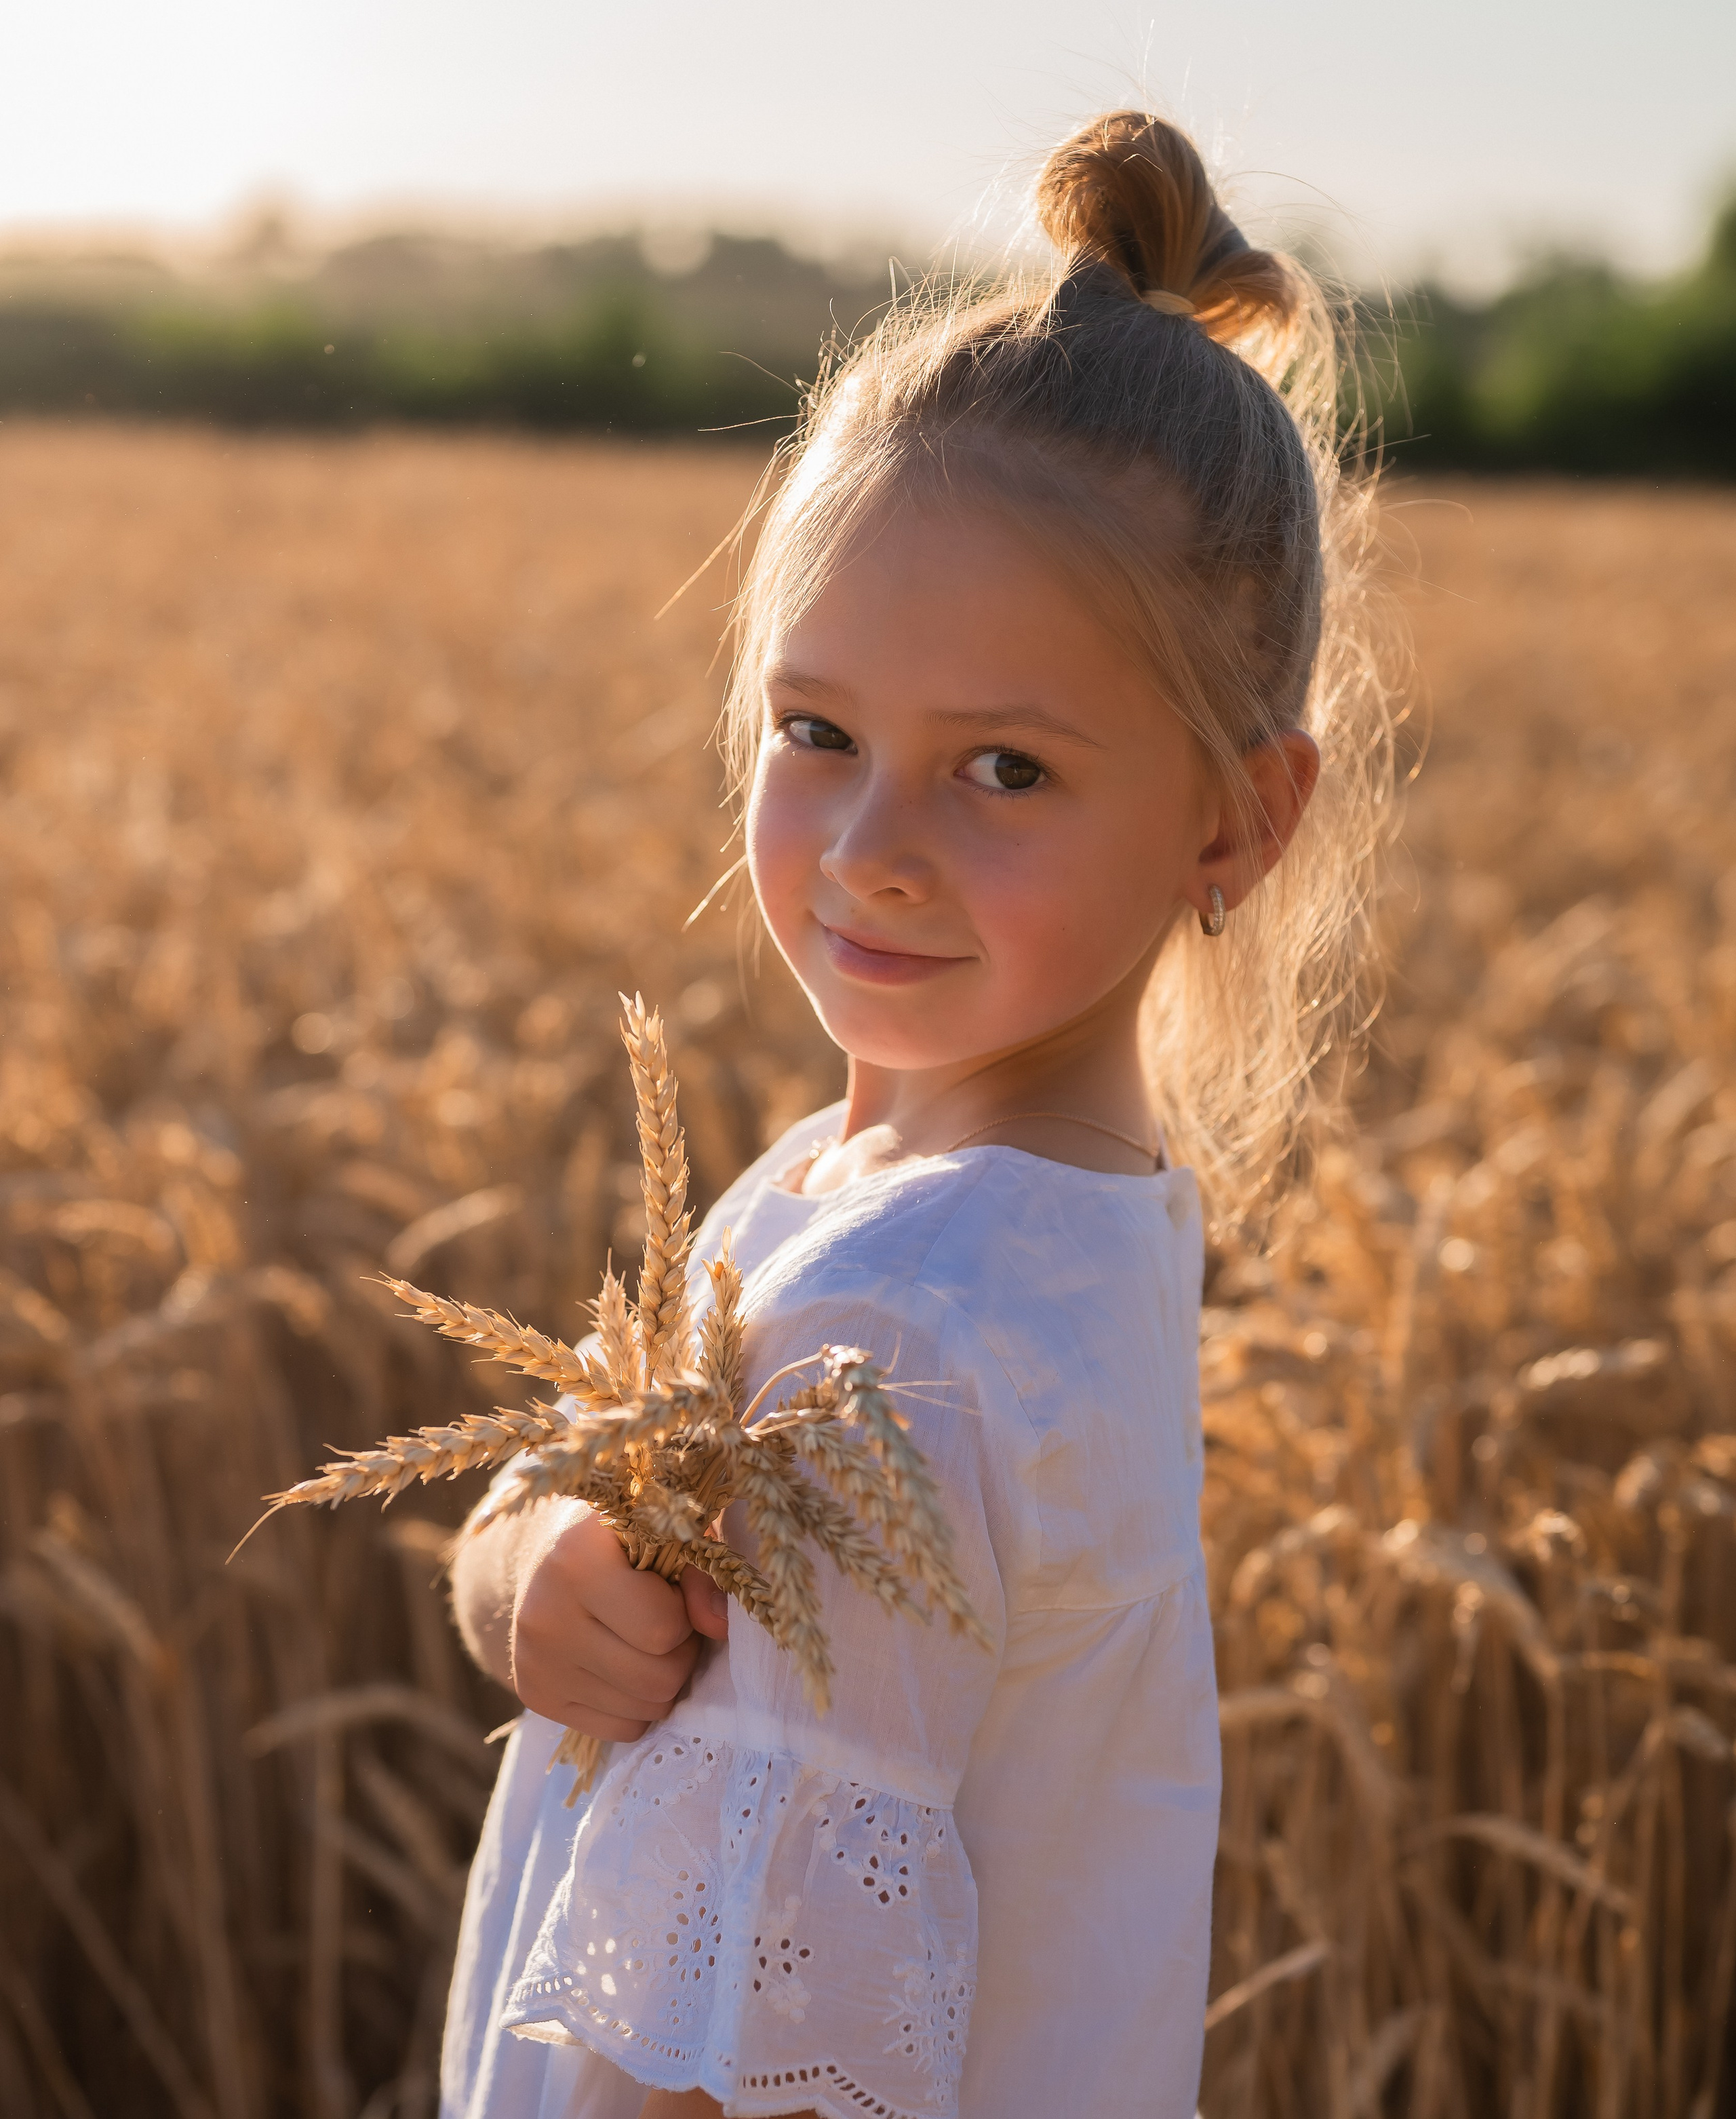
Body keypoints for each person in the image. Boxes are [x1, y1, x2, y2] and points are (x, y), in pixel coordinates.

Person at [440, 109, 1390, 2119]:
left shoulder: (905, 1337)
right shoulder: (959, 1210)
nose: (873, 843)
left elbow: (754, 2065)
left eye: (1006, 770)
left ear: (1239, 818)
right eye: (820, 731)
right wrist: (520, 1564)